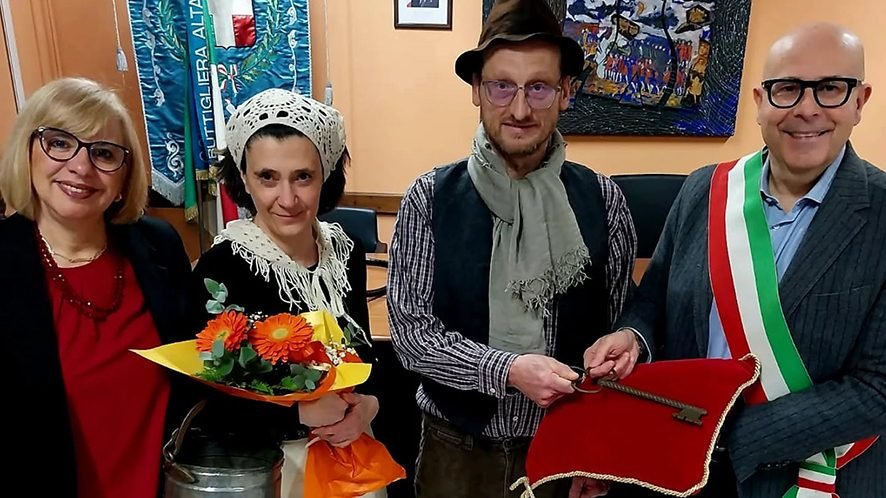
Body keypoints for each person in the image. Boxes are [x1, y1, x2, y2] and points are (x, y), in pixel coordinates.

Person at [583, 23, 884, 498]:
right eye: (788, 88)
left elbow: (877, 387)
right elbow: (654, 301)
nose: (807, 108)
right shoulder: (703, 189)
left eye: (830, 88)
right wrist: (632, 336)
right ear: (761, 101)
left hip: (814, 477)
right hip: (676, 465)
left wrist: (723, 434)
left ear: (859, 101)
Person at [387, 1, 638, 497]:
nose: (520, 110)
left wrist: (601, 442)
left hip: (564, 447)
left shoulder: (604, 200)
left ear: (566, 92)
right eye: (502, 86)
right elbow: (412, 335)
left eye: (538, 88)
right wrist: (508, 370)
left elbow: (621, 325)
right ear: (476, 90)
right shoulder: (428, 198)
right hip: (455, 450)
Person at [0, 77, 193, 498]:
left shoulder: (160, 246)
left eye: (103, 152)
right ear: (26, 151)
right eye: (59, 143)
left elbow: (201, 375)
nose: (81, 167)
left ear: (125, 173)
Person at [188, 88, 384, 498]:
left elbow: (364, 352)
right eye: (268, 177)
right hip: (267, 471)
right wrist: (298, 414)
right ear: (243, 177)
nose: (288, 198)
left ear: (326, 174)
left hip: (351, 460)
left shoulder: (344, 253)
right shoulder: (221, 268)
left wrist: (369, 405)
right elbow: (205, 399)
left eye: (303, 177)